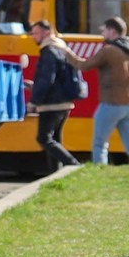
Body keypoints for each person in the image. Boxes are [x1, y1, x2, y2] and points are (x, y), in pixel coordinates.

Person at [88, 14, 129, 166]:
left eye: (104, 30)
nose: (102, 34)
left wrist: (66, 52)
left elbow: (84, 66)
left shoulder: (109, 50)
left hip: (111, 103)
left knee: (99, 144)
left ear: (112, 32)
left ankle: (99, 175)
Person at [27, 20, 83, 173]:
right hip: (64, 103)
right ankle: (55, 174)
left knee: (43, 138)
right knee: (55, 140)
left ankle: (74, 166)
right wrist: (34, 85)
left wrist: (34, 101)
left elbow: (47, 79)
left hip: (52, 104)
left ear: (46, 32)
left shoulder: (49, 51)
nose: (33, 37)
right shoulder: (62, 48)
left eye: (35, 33)